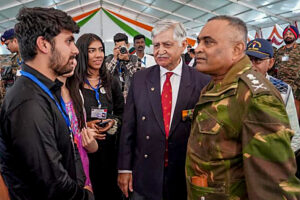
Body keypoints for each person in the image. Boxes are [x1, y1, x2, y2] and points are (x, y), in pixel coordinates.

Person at [186, 15, 300, 200]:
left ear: (237, 49)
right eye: (199, 41)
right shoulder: (215, 85)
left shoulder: (256, 97)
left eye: (208, 42)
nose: (197, 48)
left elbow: (274, 189)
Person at [0, 7, 94, 200]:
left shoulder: (46, 89)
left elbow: (69, 144)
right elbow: (52, 184)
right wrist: (86, 196)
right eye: (68, 41)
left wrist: (82, 180)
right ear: (43, 44)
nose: (75, 50)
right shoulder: (28, 102)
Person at [117, 19, 210, 200]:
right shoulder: (140, 79)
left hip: (184, 173)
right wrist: (124, 168)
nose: (160, 51)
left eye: (167, 45)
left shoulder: (202, 81)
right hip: (145, 173)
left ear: (183, 45)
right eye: (157, 45)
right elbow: (129, 127)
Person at [70, 33, 124, 200]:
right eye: (92, 50)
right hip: (85, 151)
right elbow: (68, 117)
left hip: (110, 151)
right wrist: (86, 125)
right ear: (82, 53)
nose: (99, 55)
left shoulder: (111, 81)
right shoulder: (72, 83)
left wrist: (113, 122)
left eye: (101, 50)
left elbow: (122, 112)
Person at [246, 38, 300, 151]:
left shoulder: (283, 90)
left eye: (257, 61)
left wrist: (282, 160)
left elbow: (294, 133)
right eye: (248, 60)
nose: (251, 66)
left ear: (270, 63)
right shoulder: (235, 85)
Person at [58, 58, 99, 192]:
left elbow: (82, 134)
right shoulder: (47, 97)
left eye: (74, 58)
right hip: (63, 168)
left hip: (82, 163)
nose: (73, 62)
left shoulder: (76, 92)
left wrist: (91, 143)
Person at [105, 33, 141, 100]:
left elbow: (137, 77)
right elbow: (105, 75)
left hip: (131, 98)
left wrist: (127, 61)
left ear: (128, 45)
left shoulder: (135, 59)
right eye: (118, 47)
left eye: (122, 47)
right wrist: (115, 59)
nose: (121, 49)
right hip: (114, 99)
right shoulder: (109, 59)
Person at [275, 25, 300, 120]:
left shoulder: (298, 48)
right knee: (283, 105)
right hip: (282, 83)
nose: (288, 36)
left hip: (297, 83)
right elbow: (274, 65)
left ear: (295, 36)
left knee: (295, 104)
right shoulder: (280, 51)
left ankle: (296, 127)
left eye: (290, 34)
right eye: (286, 34)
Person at [0, 28, 22, 105]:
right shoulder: (15, 58)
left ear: (15, 41)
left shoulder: (29, 57)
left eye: (7, 44)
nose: (6, 47)